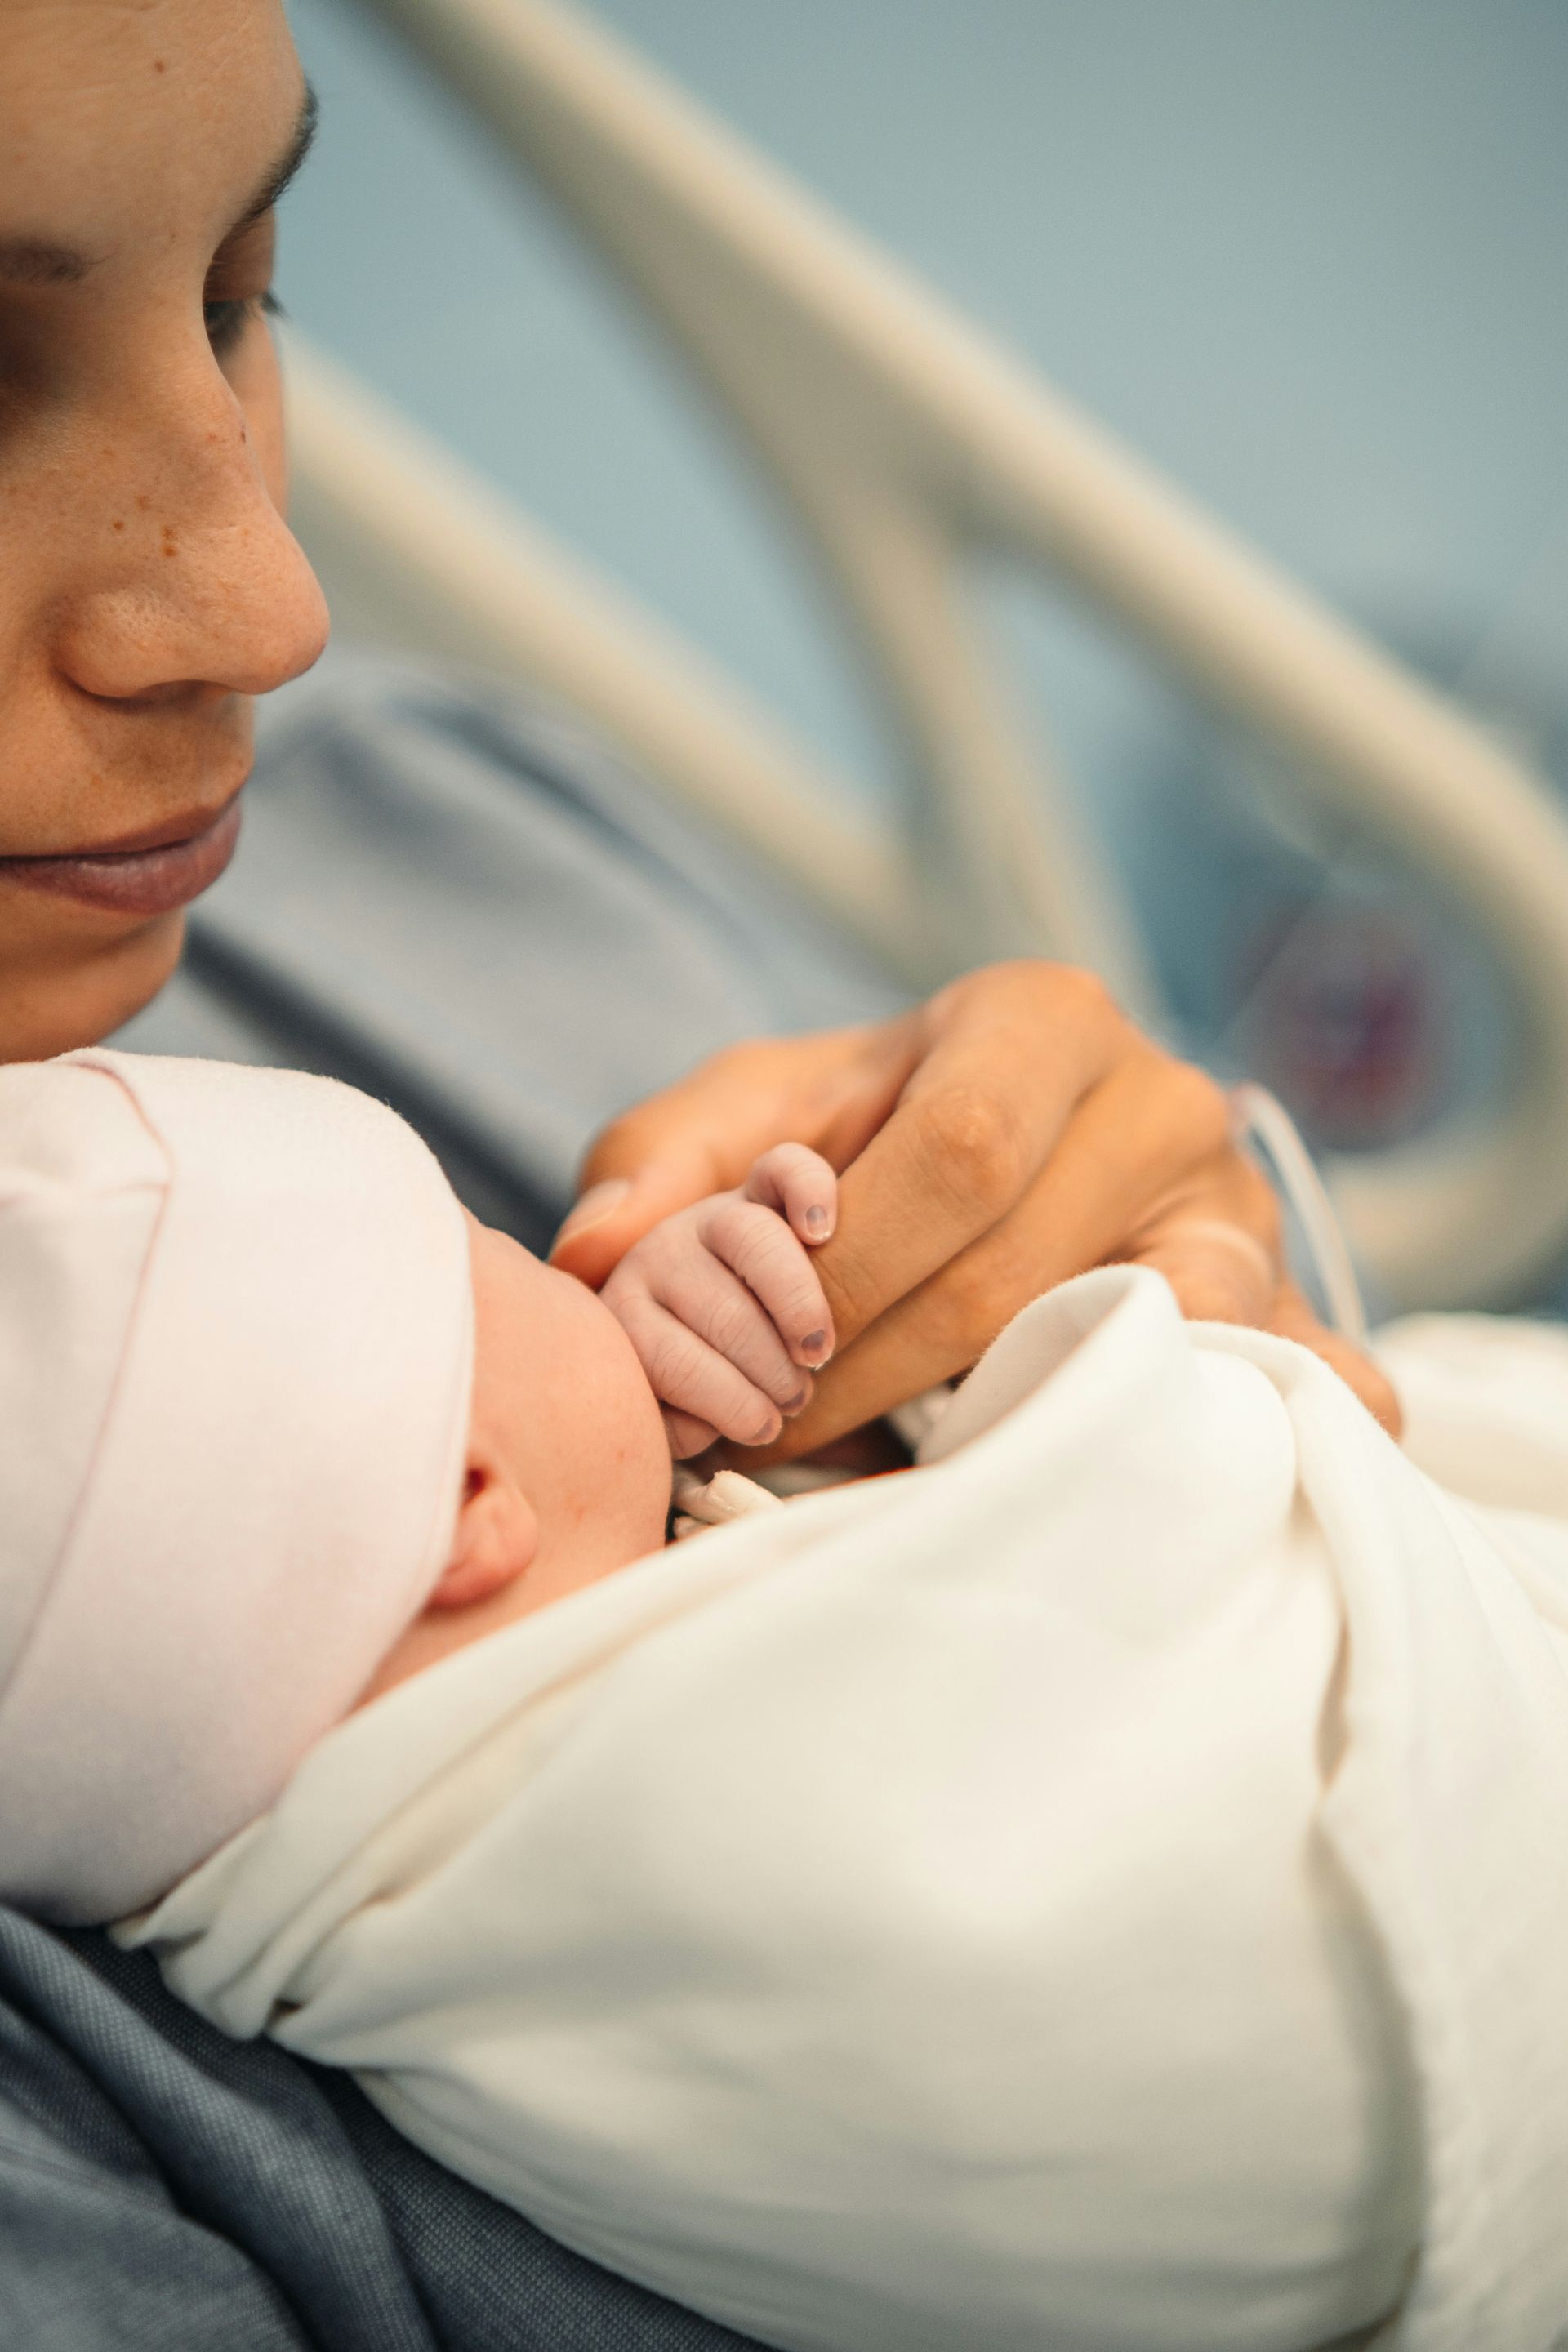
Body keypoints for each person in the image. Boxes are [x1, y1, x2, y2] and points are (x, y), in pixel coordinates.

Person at [0, 0, 1399, 2343]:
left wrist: (1164, 1238)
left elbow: (1297, 1396)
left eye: (243, 291)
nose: (276, 610)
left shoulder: (422, 829)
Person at [8, 1045, 1568, 2352]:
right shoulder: (673, 1809)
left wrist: (784, 1445)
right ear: (470, 1509)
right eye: (482, 1254)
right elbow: (1096, 1600)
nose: (554, 1252)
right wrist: (985, 1401)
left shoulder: (342, 1865)